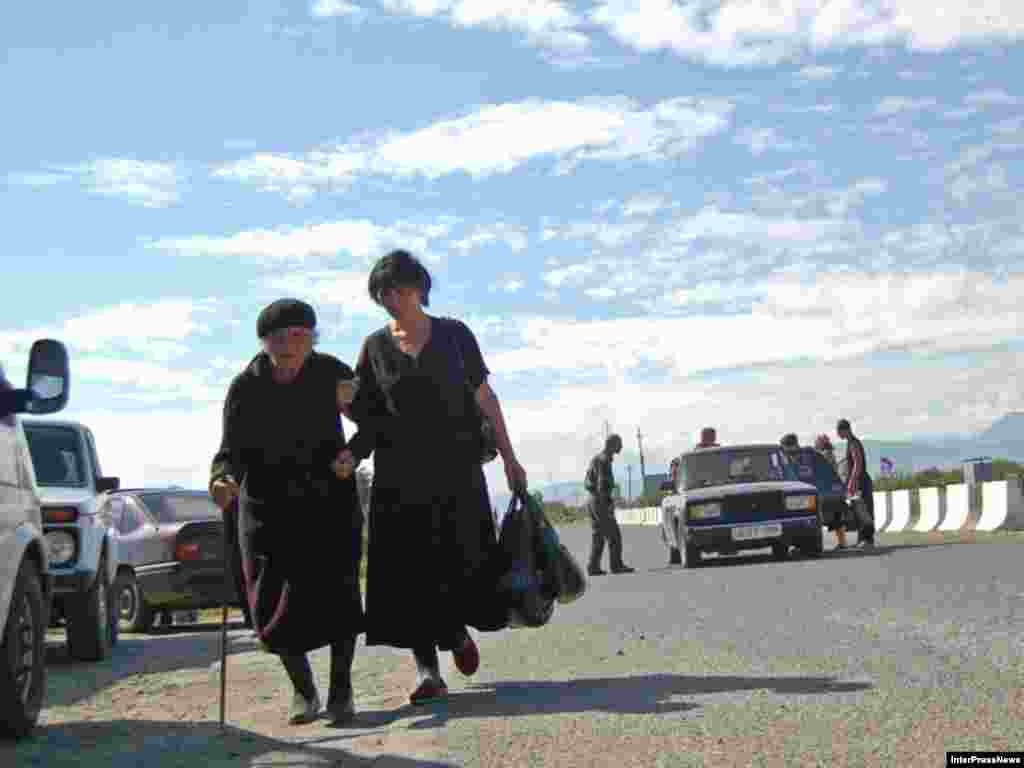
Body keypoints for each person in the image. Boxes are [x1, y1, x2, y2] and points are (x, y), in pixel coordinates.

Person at [334, 249, 526, 706]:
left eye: (399, 289)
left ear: (419, 287)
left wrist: (510, 458)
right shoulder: (374, 348)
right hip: (399, 477)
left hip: (457, 471)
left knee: (460, 561)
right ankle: (427, 672)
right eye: (383, 294)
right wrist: (349, 440)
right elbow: (370, 418)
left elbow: (485, 397)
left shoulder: (456, 335)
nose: (392, 299)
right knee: (409, 573)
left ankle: (455, 631)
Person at [209, 299, 364, 726]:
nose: (288, 346)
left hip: (328, 502)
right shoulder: (246, 386)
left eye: (298, 336)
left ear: (313, 339)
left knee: (340, 596)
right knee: (272, 605)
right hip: (267, 509)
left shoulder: (332, 372)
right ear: (264, 343)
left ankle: (341, 691)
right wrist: (222, 479)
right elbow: (230, 451)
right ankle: (303, 690)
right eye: (278, 338)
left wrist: (354, 452)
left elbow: (372, 421)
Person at [584, 434, 634, 576]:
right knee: (614, 535)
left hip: (592, 500)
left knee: (598, 535)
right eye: (619, 444)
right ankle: (616, 566)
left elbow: (588, 482)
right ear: (612, 445)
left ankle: (593, 567)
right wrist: (608, 504)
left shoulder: (597, 458)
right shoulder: (604, 460)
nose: (621, 447)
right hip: (600, 501)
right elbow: (602, 485)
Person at [837, 418, 875, 549]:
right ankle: (862, 539)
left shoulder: (853, 443)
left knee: (864, 511)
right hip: (858, 481)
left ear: (844, 430)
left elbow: (857, 464)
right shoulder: (850, 442)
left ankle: (868, 540)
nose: (838, 435)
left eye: (839, 432)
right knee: (858, 511)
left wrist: (852, 482)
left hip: (861, 481)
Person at [814, 433, 849, 548]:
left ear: (821, 444)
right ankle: (843, 542)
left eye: (817, 442)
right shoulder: (830, 454)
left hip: (826, 491)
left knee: (820, 518)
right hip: (835, 489)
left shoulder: (823, 456)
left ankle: (817, 544)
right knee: (837, 518)